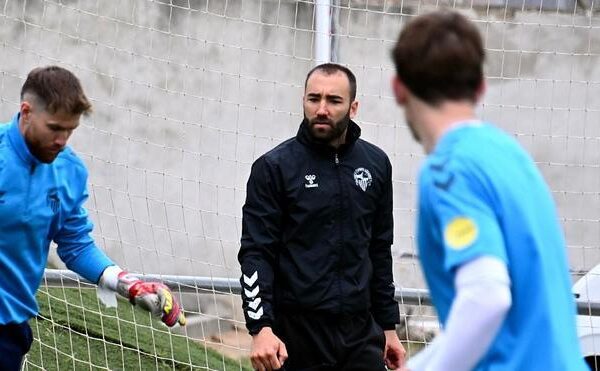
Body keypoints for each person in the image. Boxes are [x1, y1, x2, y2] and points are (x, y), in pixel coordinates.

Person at [390, 10, 588, 371]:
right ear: (481, 85)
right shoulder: (510, 155)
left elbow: (486, 297)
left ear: (398, 88)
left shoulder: (449, 170)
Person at [0, 66, 185, 370]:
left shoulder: (70, 170)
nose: (62, 140)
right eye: (55, 128)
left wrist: (129, 284)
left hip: (11, 328)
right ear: (26, 112)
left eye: (70, 131)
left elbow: (76, 245)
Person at [238, 63, 406, 371]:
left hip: (359, 334)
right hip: (296, 336)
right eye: (314, 99)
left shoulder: (376, 164)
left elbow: (379, 250)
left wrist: (388, 327)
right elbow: (256, 253)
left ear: (353, 107)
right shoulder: (274, 168)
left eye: (334, 100)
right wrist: (261, 327)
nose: (322, 109)